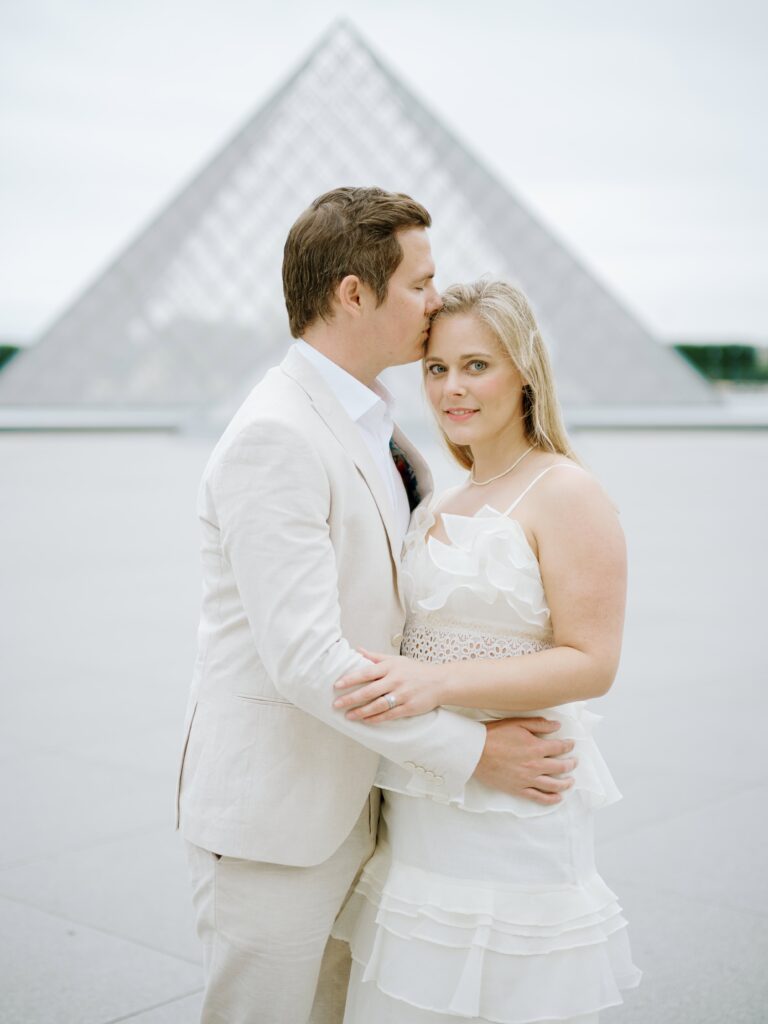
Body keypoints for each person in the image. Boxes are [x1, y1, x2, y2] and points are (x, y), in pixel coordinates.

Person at [175, 190, 581, 1024]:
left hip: (369, 811)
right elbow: (305, 661)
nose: (436, 301)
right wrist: (474, 754)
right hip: (276, 826)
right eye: (421, 283)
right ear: (353, 293)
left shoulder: (380, 425)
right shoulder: (276, 435)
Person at [332, 279, 642, 1023]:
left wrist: (435, 683)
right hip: (424, 809)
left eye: (477, 365)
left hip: (515, 810)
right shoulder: (440, 495)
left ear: (525, 368)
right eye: (436, 369)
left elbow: (592, 661)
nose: (452, 389)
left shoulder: (566, 492)